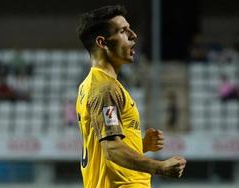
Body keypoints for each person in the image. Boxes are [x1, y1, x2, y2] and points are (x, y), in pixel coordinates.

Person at [76, 5, 186, 188]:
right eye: (122, 31)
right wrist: (160, 167)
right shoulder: (104, 88)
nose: (133, 35)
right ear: (102, 43)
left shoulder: (92, 85)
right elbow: (112, 149)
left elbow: (106, 147)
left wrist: (141, 145)